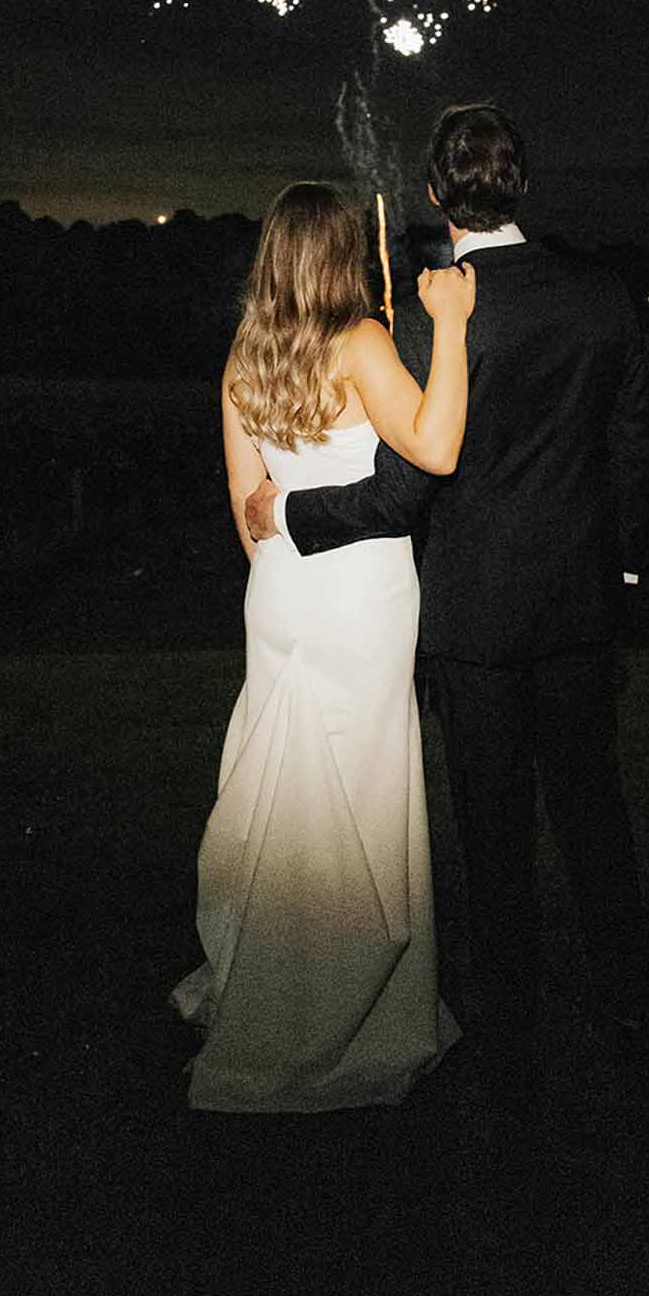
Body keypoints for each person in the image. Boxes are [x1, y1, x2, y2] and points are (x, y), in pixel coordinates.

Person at [245, 104, 649, 1104]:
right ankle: (630, 1006)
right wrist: (628, 570)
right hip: (577, 601)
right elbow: (635, 444)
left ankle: (507, 1025)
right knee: (593, 806)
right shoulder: (606, 296)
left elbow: (403, 485)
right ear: (522, 187)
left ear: (437, 191)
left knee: (491, 824)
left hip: (473, 609)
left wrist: (291, 508)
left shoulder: (432, 310)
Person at [170, 181, 474, 1111]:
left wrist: (281, 587)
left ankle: (267, 968)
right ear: (342, 253)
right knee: (361, 785)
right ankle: (354, 1007)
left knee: (283, 783)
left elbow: (246, 508)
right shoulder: (361, 340)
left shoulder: (244, 353)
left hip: (281, 592)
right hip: (363, 598)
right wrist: (452, 324)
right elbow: (437, 449)